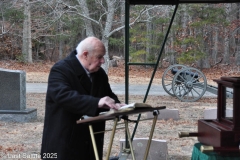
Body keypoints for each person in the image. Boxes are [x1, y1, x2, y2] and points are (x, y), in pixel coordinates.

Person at [41, 37, 125, 160]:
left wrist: (118, 105)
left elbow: (108, 95)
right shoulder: (61, 69)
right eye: (99, 57)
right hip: (64, 144)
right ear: (85, 55)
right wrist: (97, 102)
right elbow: (64, 96)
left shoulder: (99, 73)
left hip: (91, 143)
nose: (103, 61)